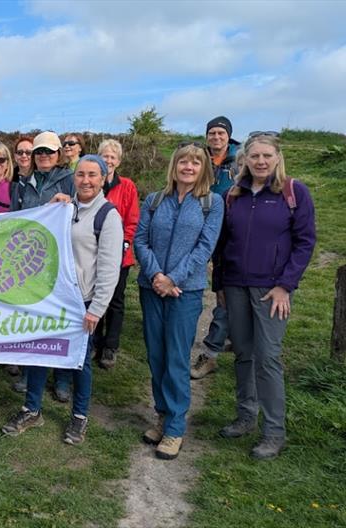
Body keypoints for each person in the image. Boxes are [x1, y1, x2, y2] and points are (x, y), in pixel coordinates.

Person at [1, 155, 123, 445]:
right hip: (52, 295)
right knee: (39, 351)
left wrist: (97, 309)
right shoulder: (65, 208)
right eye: (81, 174)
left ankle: (79, 417)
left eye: (93, 175)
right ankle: (32, 409)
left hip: (82, 300)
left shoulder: (108, 216)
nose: (86, 181)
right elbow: (38, 230)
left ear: (104, 178)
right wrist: (50, 207)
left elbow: (109, 268)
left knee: (80, 361)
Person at [214, 132, 315, 460]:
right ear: (245, 160)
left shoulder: (292, 192)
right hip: (236, 286)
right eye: (254, 156)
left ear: (277, 158)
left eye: (266, 156)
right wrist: (220, 287)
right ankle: (246, 417)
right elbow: (223, 243)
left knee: (268, 357)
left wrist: (286, 285)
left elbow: (304, 242)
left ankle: (274, 431)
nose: (260, 162)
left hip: (272, 290)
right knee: (243, 353)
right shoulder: (235, 194)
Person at [134, 143, 223, 460]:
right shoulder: (155, 200)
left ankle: (175, 428)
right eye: (183, 161)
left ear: (203, 169)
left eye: (195, 163)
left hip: (185, 291)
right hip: (151, 287)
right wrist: (157, 275)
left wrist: (173, 279)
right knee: (156, 355)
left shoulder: (212, 204)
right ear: (175, 166)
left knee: (175, 358)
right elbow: (140, 240)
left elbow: (204, 247)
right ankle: (161, 415)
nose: (188, 167)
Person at [12, 130, 75, 400]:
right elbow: (15, 219)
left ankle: (61, 378)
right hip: (29, 260)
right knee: (31, 318)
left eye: (49, 151)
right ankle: (29, 371)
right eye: (39, 152)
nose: (43, 156)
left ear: (58, 154)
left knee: (59, 319)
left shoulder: (70, 180)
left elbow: (78, 214)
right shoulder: (23, 184)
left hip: (61, 259)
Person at [191, 116, 242, 379]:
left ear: (228, 136)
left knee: (224, 291)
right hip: (198, 224)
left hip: (231, 231)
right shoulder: (199, 158)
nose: (216, 137)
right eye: (212, 133)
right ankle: (227, 335)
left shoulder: (240, 160)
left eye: (221, 133)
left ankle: (211, 351)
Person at [92, 139, 140, 369]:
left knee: (116, 301)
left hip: (120, 254)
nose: (108, 160)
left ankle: (110, 347)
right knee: (95, 296)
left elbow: (132, 220)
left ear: (118, 161)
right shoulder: (92, 182)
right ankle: (94, 341)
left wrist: (123, 244)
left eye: (113, 157)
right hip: (92, 253)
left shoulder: (128, 186)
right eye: (105, 156)